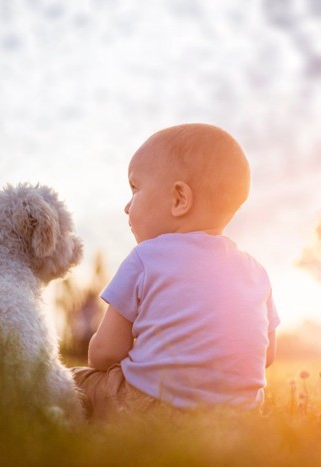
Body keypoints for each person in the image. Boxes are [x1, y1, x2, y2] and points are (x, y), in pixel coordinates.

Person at [73, 123, 280, 420]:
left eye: (135, 189)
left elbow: (104, 353)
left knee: (70, 382)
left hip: (146, 407)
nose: (126, 206)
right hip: (236, 417)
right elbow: (267, 356)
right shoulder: (256, 271)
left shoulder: (145, 258)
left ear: (179, 199)